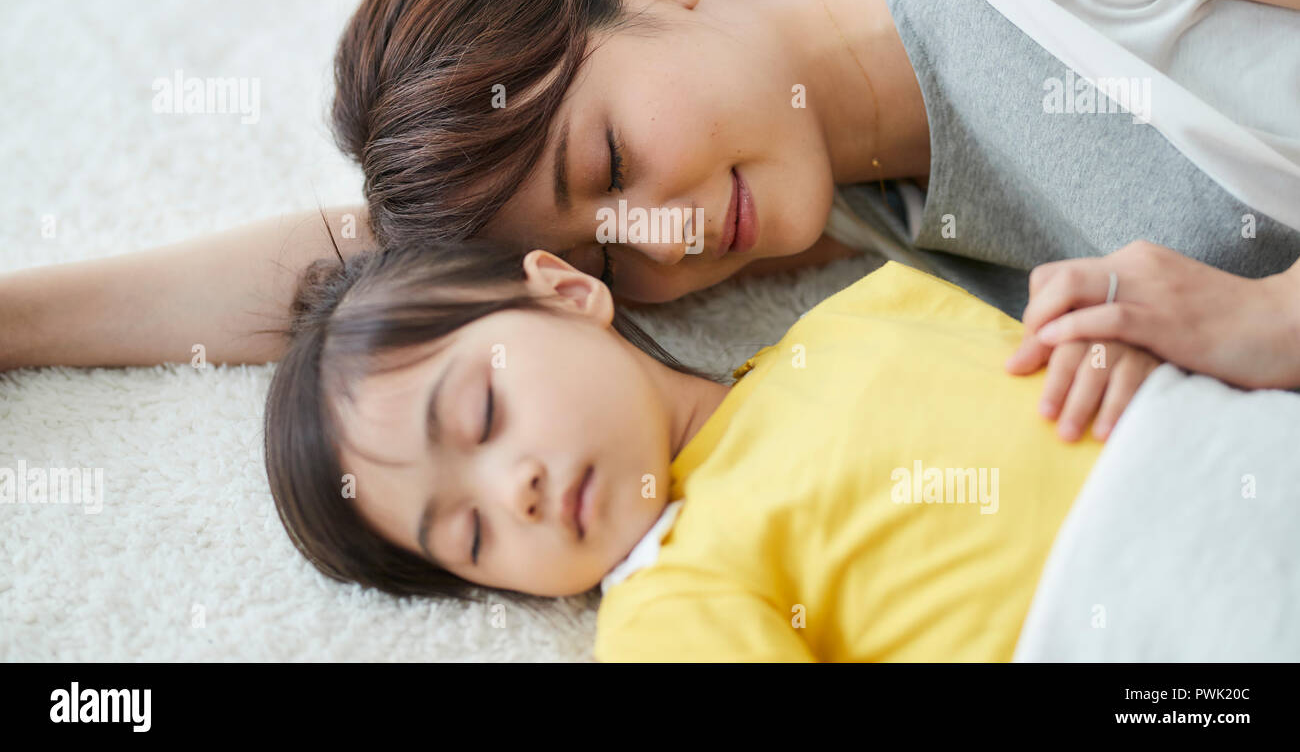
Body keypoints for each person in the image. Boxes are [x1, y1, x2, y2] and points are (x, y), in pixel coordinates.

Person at [5, 0, 1298, 442]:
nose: (663, 239)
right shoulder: (846, 208)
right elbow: (358, 273)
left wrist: (1264, 322)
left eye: (611, 160)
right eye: (611, 256)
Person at [263, 235, 1163, 661]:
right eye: (470, 535)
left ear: (569, 293)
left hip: (1204, 449)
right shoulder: (670, 600)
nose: (516, 492)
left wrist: (1112, 339)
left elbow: (1053, 348)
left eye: (484, 411)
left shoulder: (863, 308)